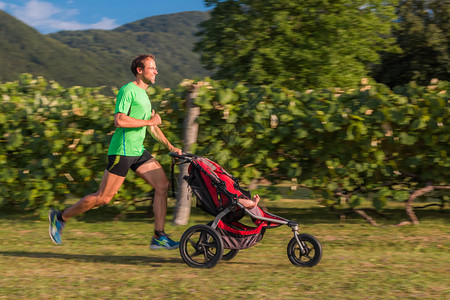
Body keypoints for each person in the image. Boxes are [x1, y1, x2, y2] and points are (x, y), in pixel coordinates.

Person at [49, 54, 182, 250]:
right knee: (103, 198)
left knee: (162, 185)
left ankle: (159, 236)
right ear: (139, 70)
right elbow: (119, 120)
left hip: (137, 150)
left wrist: (171, 147)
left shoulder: (144, 95)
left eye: (155, 68)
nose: (156, 71)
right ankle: (60, 218)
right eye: (152, 68)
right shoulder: (127, 90)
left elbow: (152, 127)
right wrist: (150, 122)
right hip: (123, 150)